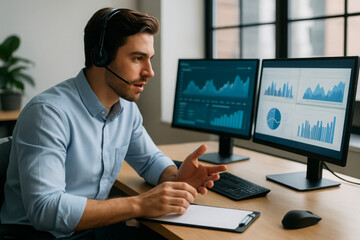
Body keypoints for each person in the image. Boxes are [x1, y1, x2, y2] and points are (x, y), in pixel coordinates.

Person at [0, 7, 227, 239]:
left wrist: (176, 178)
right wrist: (140, 204)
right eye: (138, 58)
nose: (150, 72)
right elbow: (45, 210)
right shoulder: (48, 113)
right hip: (37, 235)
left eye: (150, 59)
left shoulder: (127, 110)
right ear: (101, 56)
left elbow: (149, 161)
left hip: (89, 230)